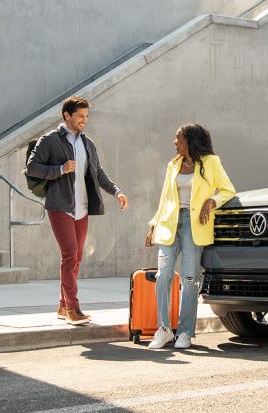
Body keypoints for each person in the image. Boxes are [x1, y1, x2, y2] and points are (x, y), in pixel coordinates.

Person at [26, 96, 129, 326]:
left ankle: (63, 305)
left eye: (86, 116)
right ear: (67, 115)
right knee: (70, 254)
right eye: (80, 116)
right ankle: (73, 308)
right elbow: (32, 167)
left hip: (82, 208)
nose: (84, 120)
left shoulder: (87, 143)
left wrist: (116, 192)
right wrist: (60, 169)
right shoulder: (50, 140)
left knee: (77, 258)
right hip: (60, 206)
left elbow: (98, 172)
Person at [145, 123, 236, 349]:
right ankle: (164, 330)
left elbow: (228, 190)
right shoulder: (173, 164)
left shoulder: (211, 162)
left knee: (189, 279)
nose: (174, 142)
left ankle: (185, 332)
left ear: (190, 140)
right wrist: (154, 224)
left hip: (194, 225)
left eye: (178, 137)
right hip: (170, 223)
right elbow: (165, 198)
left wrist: (211, 201)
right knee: (163, 275)